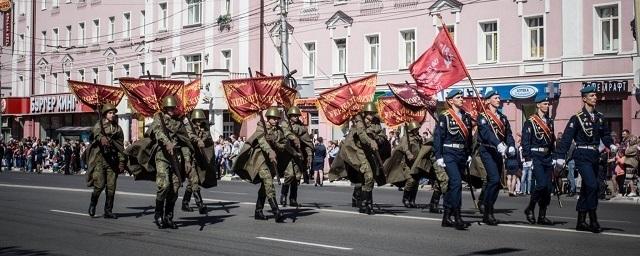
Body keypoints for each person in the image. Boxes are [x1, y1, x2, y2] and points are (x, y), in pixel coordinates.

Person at [555, 86, 616, 233]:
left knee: (586, 189)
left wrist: (611, 144)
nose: (595, 97)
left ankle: (581, 221)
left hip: (595, 155)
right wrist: (560, 157)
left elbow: (605, 135)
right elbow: (566, 139)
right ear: (584, 98)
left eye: (595, 95)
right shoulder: (576, 118)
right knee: (593, 186)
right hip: (582, 155)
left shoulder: (600, 117)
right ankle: (593, 220)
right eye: (592, 95)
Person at [232, 107, 288, 223]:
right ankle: (276, 211)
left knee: (264, 186)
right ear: (268, 118)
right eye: (273, 118)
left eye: (277, 118)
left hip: (271, 162)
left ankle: (258, 211)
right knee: (268, 182)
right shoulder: (261, 126)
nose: (276, 120)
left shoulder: (279, 130)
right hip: (260, 159)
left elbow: (283, 144)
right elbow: (261, 141)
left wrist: (275, 144)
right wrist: (270, 150)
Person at [149, 95, 193, 229]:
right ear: (164, 108)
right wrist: (167, 142)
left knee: (174, 188)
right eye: (169, 108)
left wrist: (187, 160)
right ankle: (158, 215)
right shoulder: (159, 118)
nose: (171, 110)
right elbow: (157, 132)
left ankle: (168, 217)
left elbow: (185, 142)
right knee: (164, 185)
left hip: (177, 158)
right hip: (162, 156)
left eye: (173, 108)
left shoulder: (179, 123)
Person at [433, 89, 473, 230]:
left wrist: (469, 153)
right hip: (449, 153)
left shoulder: (466, 117)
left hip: (461, 153)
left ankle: (446, 216)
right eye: (458, 97)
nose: (462, 99)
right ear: (451, 101)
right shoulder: (445, 116)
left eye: (462, 97)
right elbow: (438, 137)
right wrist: (439, 156)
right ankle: (457, 216)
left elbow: (469, 138)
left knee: (452, 186)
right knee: (456, 182)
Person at [477, 90, 516, 226]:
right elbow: (486, 133)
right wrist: (498, 144)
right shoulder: (483, 116)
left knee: (496, 182)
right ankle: (488, 212)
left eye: (499, 97)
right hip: (487, 149)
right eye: (496, 98)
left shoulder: (503, 118)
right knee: (493, 179)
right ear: (488, 101)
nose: (499, 100)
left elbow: (508, 134)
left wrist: (511, 145)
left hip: (499, 151)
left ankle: (487, 205)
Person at [86, 103, 127, 219]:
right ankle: (93, 204)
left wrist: (122, 162)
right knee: (99, 185)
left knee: (111, 187)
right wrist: (101, 138)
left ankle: (108, 210)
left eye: (114, 113)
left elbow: (120, 146)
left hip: (112, 161)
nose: (112, 115)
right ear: (104, 114)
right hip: (100, 159)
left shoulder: (118, 129)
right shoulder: (99, 125)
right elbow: (95, 133)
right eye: (110, 113)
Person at [522, 95, 556, 225]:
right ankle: (530, 208)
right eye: (545, 104)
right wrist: (527, 158)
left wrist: (554, 156)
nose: (547, 106)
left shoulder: (550, 121)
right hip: (535, 156)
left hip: (547, 156)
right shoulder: (530, 121)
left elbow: (552, 140)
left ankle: (542, 215)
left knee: (547, 188)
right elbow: (526, 141)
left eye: (548, 104)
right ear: (538, 105)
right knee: (541, 184)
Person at [279, 106, 314, 207]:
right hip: (287, 154)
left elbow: (307, 142)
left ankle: (293, 199)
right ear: (289, 116)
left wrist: (310, 154)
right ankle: (283, 196)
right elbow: (286, 133)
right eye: (294, 116)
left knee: (297, 177)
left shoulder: (301, 126)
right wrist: (294, 137)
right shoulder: (285, 123)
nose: (296, 117)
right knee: (289, 175)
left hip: (298, 154)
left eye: (297, 116)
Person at [181, 109, 210, 214]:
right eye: (197, 120)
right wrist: (198, 139)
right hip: (187, 157)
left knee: (190, 183)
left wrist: (203, 130)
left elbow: (206, 138)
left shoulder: (201, 128)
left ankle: (185, 203)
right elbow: (191, 137)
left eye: (200, 120)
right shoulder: (188, 128)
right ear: (193, 120)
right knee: (195, 181)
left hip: (197, 158)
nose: (199, 122)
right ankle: (200, 205)